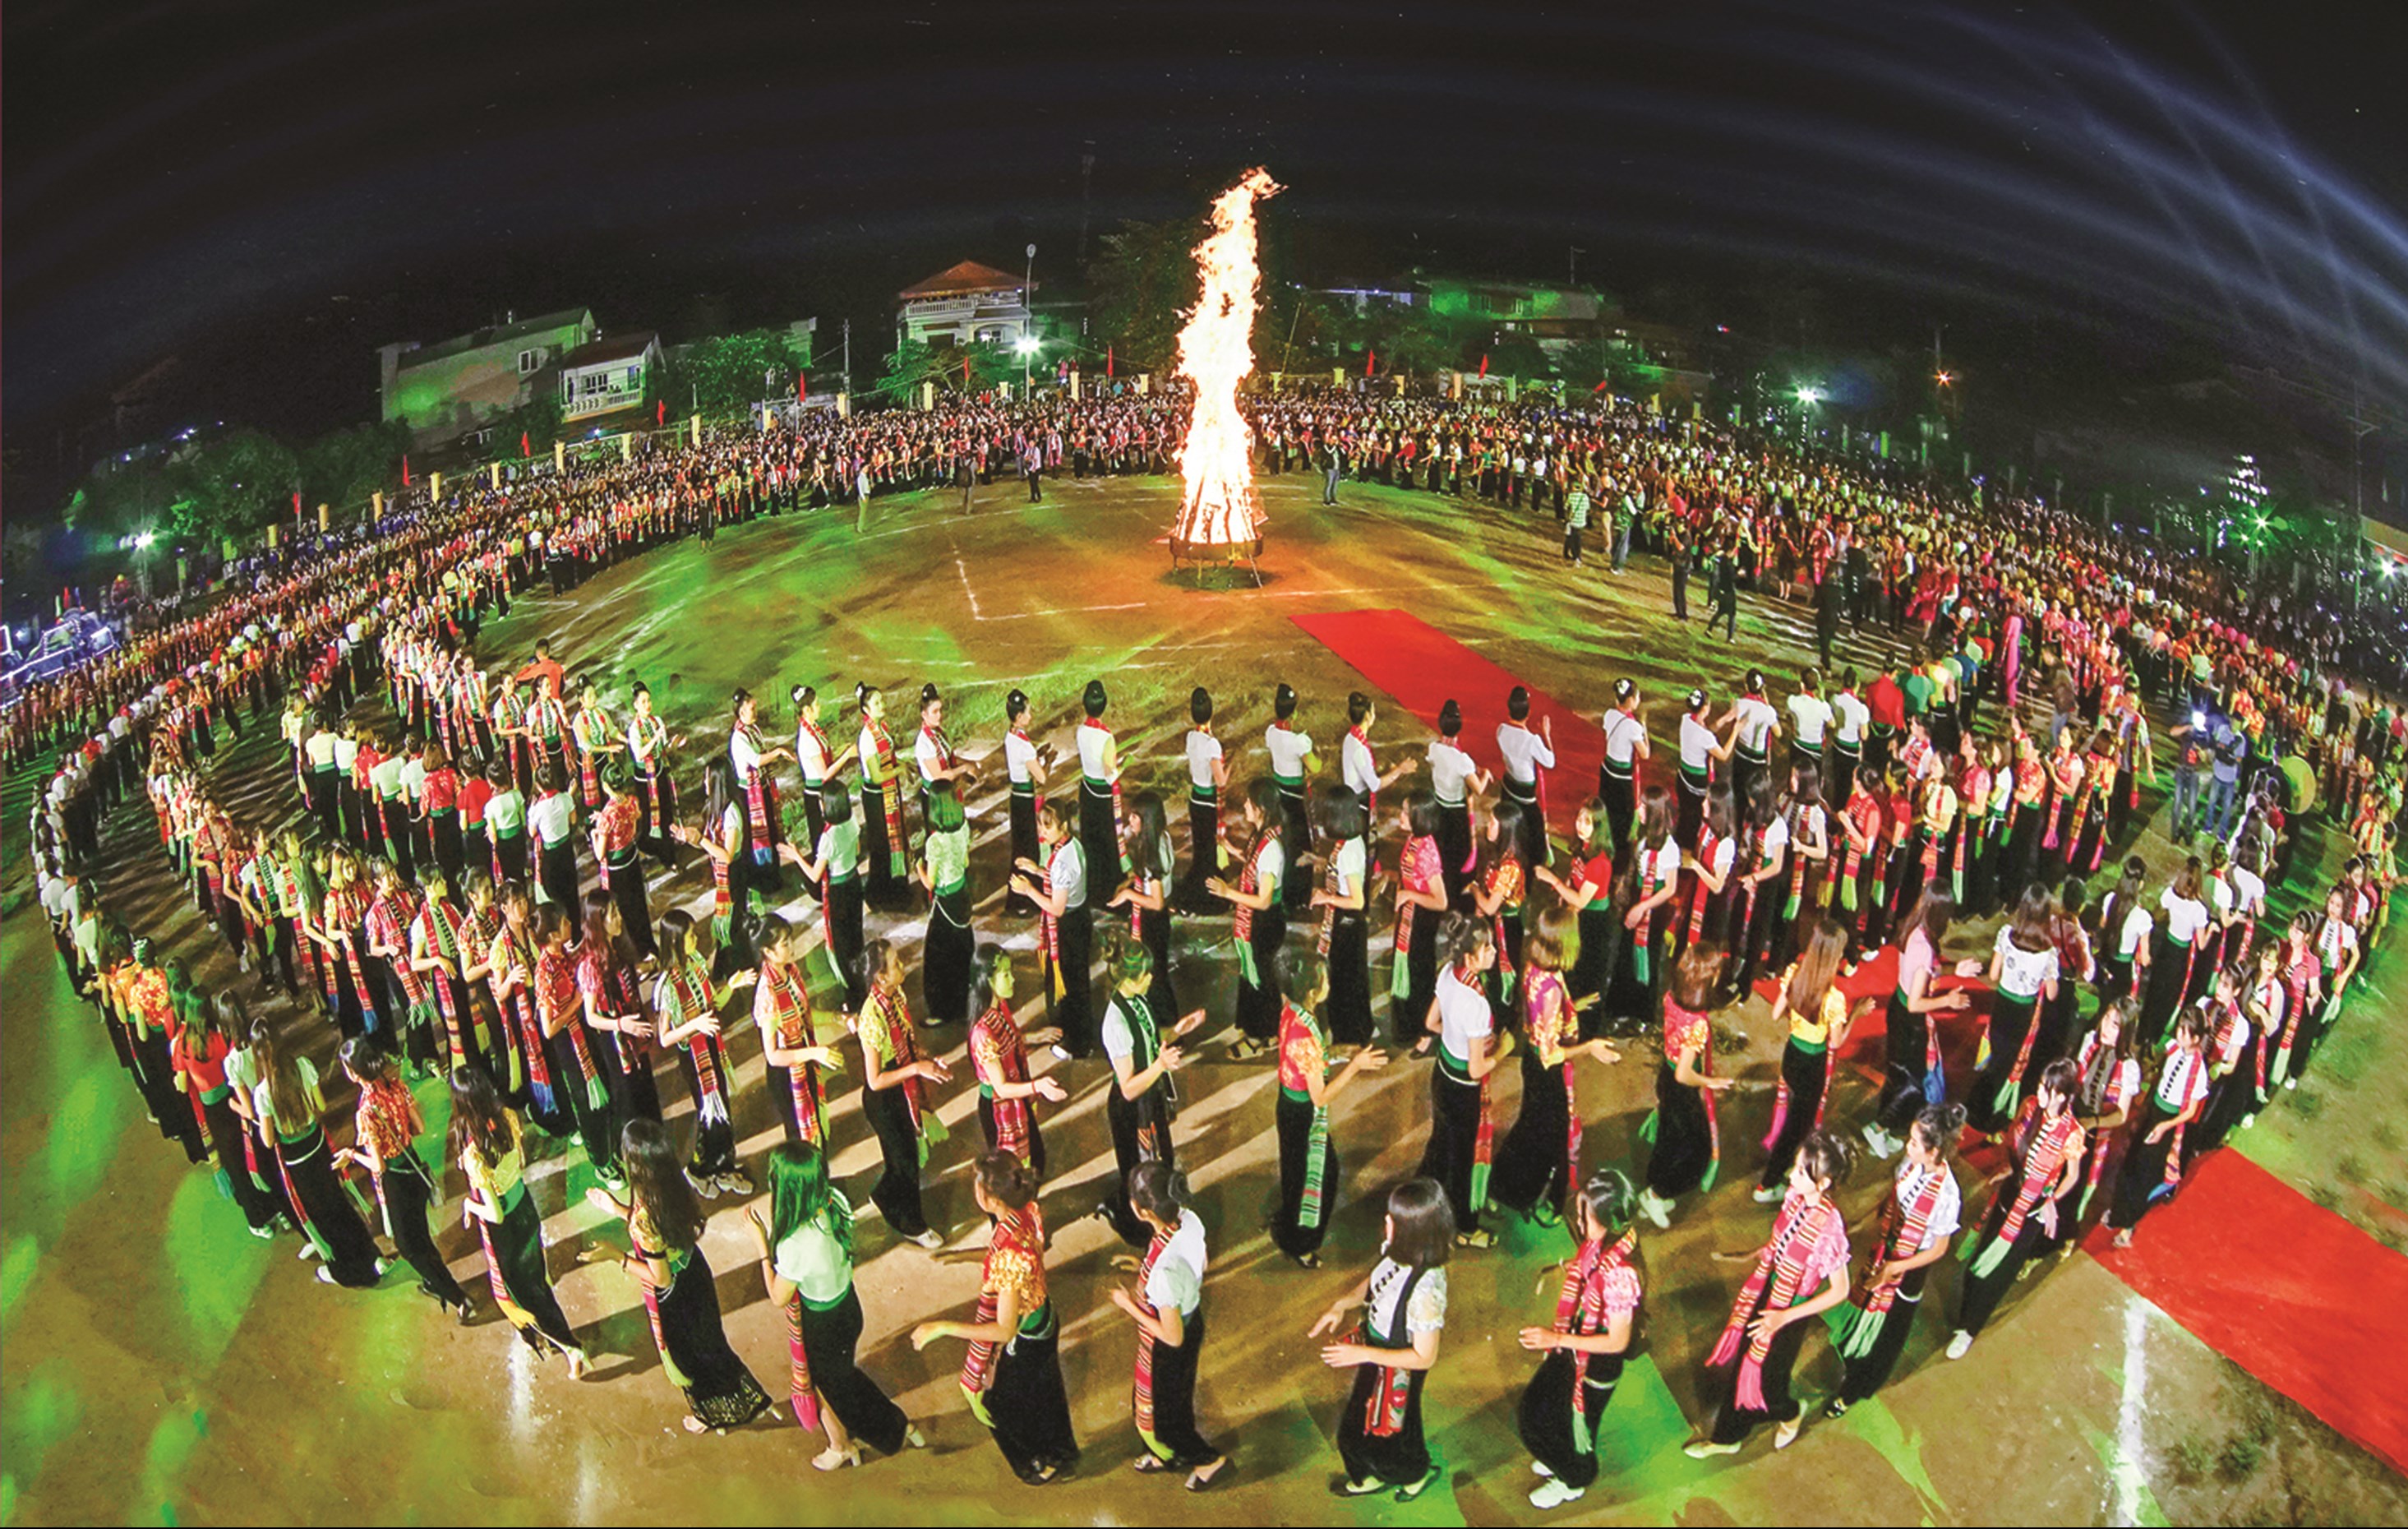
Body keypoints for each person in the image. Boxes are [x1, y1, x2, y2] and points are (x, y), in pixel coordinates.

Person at [745, 1140, 924, 1470]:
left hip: (823, 1324)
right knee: (843, 1378)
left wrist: (761, 1247)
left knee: (833, 1389)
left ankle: (872, 1436)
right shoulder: (835, 1200)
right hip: (848, 1308)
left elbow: (778, 1296)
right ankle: (860, 1437)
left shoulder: (795, 1243)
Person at [588, 1120, 773, 1432]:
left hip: (676, 1296)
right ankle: (744, 1399)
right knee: (711, 1344)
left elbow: (660, 1278)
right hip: (695, 1273)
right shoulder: (673, 1184)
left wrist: (616, 1256)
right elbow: (662, 1230)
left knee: (690, 1360)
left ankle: (710, 1414)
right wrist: (618, 1209)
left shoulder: (644, 1216)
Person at [911, 1152, 1079, 1486]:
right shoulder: (1026, 1212)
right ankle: (1062, 1451)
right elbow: (1019, 1257)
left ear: (989, 1199)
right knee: (1047, 1392)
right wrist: (969, 1256)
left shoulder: (1009, 1254)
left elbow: (1004, 1330)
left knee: (997, 1405)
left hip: (1027, 1336)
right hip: (1044, 1316)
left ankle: (1036, 1463)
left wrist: (941, 1327)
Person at [1686, 1129, 1854, 1456]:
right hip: (1770, 1291)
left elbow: (1840, 1291)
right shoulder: (1797, 1198)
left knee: (1767, 1381)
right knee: (1745, 1365)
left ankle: (1789, 1413)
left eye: (1802, 1171)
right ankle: (1728, 1438)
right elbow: (1784, 1241)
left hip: (1790, 1311)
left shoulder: (1829, 1229)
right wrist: (1758, 1254)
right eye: (1796, 1165)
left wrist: (1784, 1317)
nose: (1792, 1175)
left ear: (1823, 1183)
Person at [1312, 1177, 1455, 1502]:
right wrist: (1342, 1304)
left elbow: (1424, 1357)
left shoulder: (1426, 1291)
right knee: (1387, 1428)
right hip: (1376, 1355)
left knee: (1379, 1437)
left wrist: (1363, 1354)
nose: (1386, 1222)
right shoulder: (1401, 1252)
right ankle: (1381, 1473)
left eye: (1394, 1220)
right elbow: (1377, 1280)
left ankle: (1411, 1475)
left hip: (1397, 1368)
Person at [1825, 1103, 1966, 1416]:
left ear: (1934, 1151)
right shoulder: (1911, 1164)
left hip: (1908, 1267)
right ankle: (1853, 1358)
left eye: (1914, 1142)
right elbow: (1894, 1199)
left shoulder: (1946, 1196)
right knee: (1866, 1310)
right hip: (1887, 1250)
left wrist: (1895, 1268)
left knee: (1887, 1332)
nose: (1907, 1146)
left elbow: (1938, 1249)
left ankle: (1853, 1391)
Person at [1515, 1169, 1643, 1510]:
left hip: (1594, 1363)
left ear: (1607, 1220)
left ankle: (1574, 1477)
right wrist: (1566, 1267)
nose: (1579, 1223)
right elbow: (1590, 1267)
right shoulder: (1609, 1245)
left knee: (1560, 1422)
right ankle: (1562, 1458)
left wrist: (1554, 1337)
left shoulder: (1620, 1274)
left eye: (1585, 1217)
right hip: (1576, 1345)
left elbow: (1617, 1341)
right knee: (1547, 1413)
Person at [449, 1066, 590, 1374]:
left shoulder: (475, 1154)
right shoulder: (508, 1117)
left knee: (519, 1295)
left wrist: (470, 1204)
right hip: (525, 1207)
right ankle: (546, 1338)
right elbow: (518, 1161)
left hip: (505, 1231)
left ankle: (570, 1347)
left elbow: (495, 1213)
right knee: (535, 1281)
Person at [1948, 1057, 2084, 1358]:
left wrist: (2052, 1200)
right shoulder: (2031, 1106)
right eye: (2041, 1085)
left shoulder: (2072, 1133)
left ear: (2063, 1096)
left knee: (1997, 1274)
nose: (2041, 1092)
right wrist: (2010, 1168)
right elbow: (2016, 1143)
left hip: (2031, 1211)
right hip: (2010, 1196)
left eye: (2048, 1089)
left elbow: (2072, 1175)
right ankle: (1963, 1318)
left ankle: (1970, 1329)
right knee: (1979, 1261)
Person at [1492, 912, 1621, 1226]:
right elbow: (1551, 1054)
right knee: (1548, 1137)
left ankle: (1502, 1188)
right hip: (1546, 1070)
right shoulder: (1551, 989)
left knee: (1530, 1126)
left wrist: (1571, 1007)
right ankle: (1525, 1195)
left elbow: (1538, 1017)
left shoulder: (1536, 963)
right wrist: (1589, 1047)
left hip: (1531, 1061)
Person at [1109, 1162, 1231, 1491]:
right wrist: (1144, 1268)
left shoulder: (1164, 1274)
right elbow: (1200, 1262)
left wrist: (1129, 1305)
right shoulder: (1188, 1219)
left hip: (1171, 1343)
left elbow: (1172, 1337)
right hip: (1189, 1316)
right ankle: (1162, 1453)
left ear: (1141, 1211)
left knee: (1166, 1417)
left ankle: (1208, 1461)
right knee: (1168, 1401)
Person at [240, 1013, 385, 1288]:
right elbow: (320, 1105)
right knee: (339, 1201)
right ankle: (372, 1255)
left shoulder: (263, 1092)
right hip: (318, 1144)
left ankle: (348, 1270)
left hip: (296, 1159)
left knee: (321, 1215)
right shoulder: (303, 1066)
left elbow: (268, 1141)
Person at [336, 1037, 472, 1319]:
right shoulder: (397, 1086)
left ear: (353, 1073)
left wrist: (352, 1154)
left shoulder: (366, 1111)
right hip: (414, 1170)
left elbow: (378, 1165)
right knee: (420, 1236)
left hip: (395, 1183)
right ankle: (435, 1282)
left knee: (409, 1247)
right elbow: (419, 1127)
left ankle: (457, 1297)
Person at [1273, 949, 1389, 1267]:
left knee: (1296, 1172)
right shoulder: (1305, 1034)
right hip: (1302, 1115)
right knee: (1317, 1177)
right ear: (1313, 992)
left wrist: (1334, 1053)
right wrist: (1355, 1066)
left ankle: (1288, 1226)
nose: (1329, 984)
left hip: (1288, 1104)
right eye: (1324, 980)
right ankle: (1301, 1243)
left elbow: (1305, 1060)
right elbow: (1320, 1097)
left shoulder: (1291, 1010)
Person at [1098, 939, 1206, 1247]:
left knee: (1161, 1160)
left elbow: (1147, 1037)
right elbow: (1128, 1088)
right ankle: (1143, 1229)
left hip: (1150, 1097)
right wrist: (1160, 1065)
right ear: (1128, 980)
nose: (1151, 978)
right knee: (1142, 1173)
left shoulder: (1138, 999)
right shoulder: (1115, 1023)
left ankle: (1164, 1216)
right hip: (1133, 1110)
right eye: (1145, 974)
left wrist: (1178, 1030)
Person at [1419, 913, 1513, 1247]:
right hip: (1463, 1089)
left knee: (1440, 1143)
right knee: (1463, 1161)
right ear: (1471, 958)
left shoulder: (1448, 973)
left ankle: (1421, 1200)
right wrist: (1502, 1051)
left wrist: (1456, 1038)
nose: (1494, 952)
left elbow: (1431, 1022)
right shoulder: (1476, 1004)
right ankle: (1465, 1229)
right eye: (1487, 948)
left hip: (1442, 1074)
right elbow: (1476, 1069)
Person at [1863, 882, 1972, 1157]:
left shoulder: (1913, 927)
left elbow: (1924, 975)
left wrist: (1954, 969)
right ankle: (1878, 1126)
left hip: (1898, 1010)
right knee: (1913, 1084)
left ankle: (1886, 1131)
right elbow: (1916, 1003)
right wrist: (1948, 1001)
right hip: (1910, 1022)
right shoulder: (1923, 946)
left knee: (1898, 1076)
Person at [1754, 918, 1861, 1199]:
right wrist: (1856, 1016)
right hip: (1813, 1064)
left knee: (1795, 1118)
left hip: (1791, 1053)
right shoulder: (1833, 998)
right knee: (1797, 1127)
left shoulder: (1794, 973)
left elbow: (1775, 1013)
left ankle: (1785, 1167)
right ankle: (1768, 1184)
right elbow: (1835, 1042)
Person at [855, 938, 951, 1249]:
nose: (902, 966)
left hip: (901, 1085)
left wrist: (926, 1059)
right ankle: (910, 1223)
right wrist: (917, 1069)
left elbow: (906, 1041)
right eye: (895, 964)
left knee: (904, 1158)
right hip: (884, 1099)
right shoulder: (871, 1018)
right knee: (905, 1163)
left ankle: (884, 1194)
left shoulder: (896, 996)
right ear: (880, 977)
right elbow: (874, 1080)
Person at [651, 909, 750, 1195]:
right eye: (691, 936)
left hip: (711, 1046)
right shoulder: (668, 986)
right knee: (711, 1114)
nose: (696, 939)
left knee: (722, 1110)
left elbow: (713, 1004)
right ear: (675, 942)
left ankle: (723, 1166)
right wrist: (694, 1024)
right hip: (694, 1058)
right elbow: (665, 1037)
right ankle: (701, 1169)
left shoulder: (695, 962)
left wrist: (731, 986)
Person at [2106, 1007, 2213, 1247]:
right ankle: (2118, 1213)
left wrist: (2165, 1126)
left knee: (2146, 1174)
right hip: (2152, 1111)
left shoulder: (2199, 1072)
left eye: (2185, 1032)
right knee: (2130, 1162)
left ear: (2196, 1038)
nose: (2180, 1034)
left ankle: (2129, 1225)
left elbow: (2190, 1111)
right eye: (2180, 1029)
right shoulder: (2173, 1048)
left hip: (2168, 1120)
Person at [1969, 885, 2061, 1135]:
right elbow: (2052, 994)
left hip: (2002, 1005)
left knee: (1994, 1054)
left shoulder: (2006, 934)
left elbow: (1993, 974)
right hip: (2023, 1013)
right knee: (2009, 1064)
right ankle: (1994, 1117)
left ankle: (1978, 1106)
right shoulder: (2048, 952)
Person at [967, 946, 1066, 1173]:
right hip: (999, 1107)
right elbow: (1001, 1087)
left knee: (1034, 1160)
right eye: (1005, 974)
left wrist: (1033, 1037)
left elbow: (1006, 1041)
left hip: (1015, 1099)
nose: (1012, 979)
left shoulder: (999, 1007)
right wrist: (1038, 1086)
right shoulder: (982, 1033)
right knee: (1014, 1172)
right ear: (988, 981)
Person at [1208, 777, 1288, 1056]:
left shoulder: (1271, 848)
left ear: (1261, 808)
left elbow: (1263, 901)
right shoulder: (1261, 837)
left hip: (1264, 923)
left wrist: (1227, 892)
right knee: (1257, 977)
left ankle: (1259, 1036)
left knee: (1259, 981)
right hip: (1259, 922)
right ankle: (1268, 1031)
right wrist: (1232, 851)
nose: (1244, 806)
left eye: (1249, 802)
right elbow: (1255, 865)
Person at [1012, 799, 1094, 1060]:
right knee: (1076, 982)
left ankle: (1076, 1043)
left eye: (1048, 826)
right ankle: (1071, 1032)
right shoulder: (1071, 845)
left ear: (1064, 825)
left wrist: (1028, 890)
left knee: (1070, 986)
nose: (1042, 831)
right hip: (1079, 918)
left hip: (1068, 925)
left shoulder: (1061, 862)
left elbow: (1056, 908)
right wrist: (1037, 870)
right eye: (1040, 825)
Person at [916, 778, 975, 1024]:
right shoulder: (963, 827)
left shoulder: (935, 842)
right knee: (962, 952)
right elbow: (966, 862)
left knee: (937, 959)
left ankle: (941, 1011)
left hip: (945, 901)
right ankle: (965, 1003)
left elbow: (930, 883)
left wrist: (918, 868)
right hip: (962, 895)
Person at [854, 684, 911, 911]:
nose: (882, 705)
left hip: (886, 793)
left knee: (891, 842)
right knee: (881, 845)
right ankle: (877, 894)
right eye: (876, 703)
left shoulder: (881, 728)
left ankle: (892, 890)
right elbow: (877, 776)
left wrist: (902, 767)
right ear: (866, 709)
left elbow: (888, 759)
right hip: (876, 796)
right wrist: (900, 770)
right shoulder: (868, 737)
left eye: (882, 700)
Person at [1266, 681, 1318, 914]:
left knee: (1282, 844)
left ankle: (1280, 890)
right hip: (1295, 799)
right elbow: (1315, 766)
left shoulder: (1270, 733)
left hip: (1278, 794)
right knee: (1299, 847)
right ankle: (1297, 896)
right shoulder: (1299, 741)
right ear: (1294, 712)